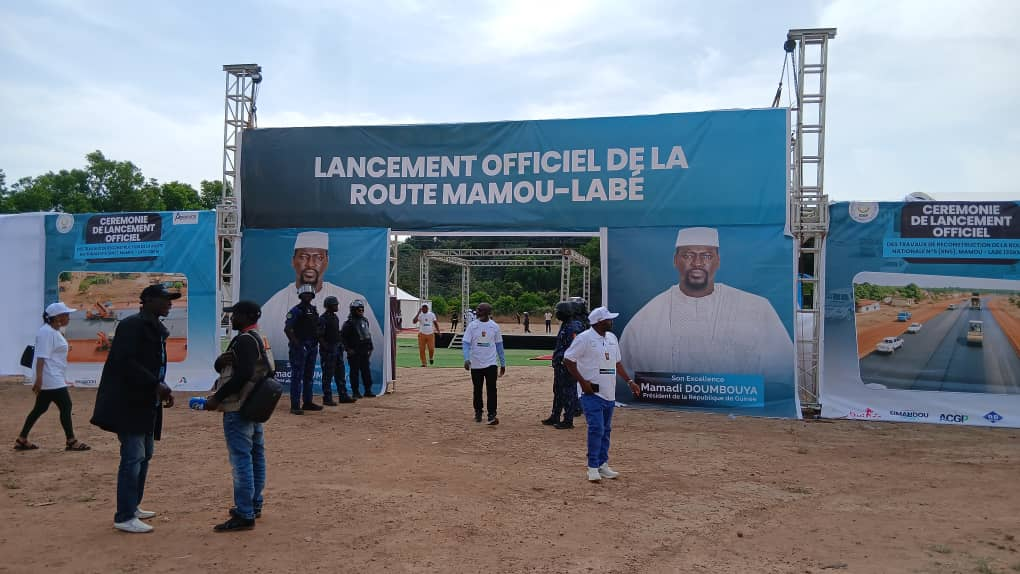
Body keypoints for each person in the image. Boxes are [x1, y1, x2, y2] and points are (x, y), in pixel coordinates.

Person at [620, 227, 794, 386]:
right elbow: (625, 377)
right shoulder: (648, 317)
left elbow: (783, 373)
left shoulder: (756, 308)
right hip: (669, 411)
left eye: (706, 256)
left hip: (736, 411)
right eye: (688, 255)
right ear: (675, 260)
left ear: (718, 261)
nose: (697, 263)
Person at [91, 284, 178, 533]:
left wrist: (162, 388)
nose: (169, 303)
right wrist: (156, 385)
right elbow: (125, 362)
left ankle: (133, 506)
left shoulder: (155, 328)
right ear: (147, 300)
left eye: (171, 300)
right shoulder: (132, 325)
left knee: (145, 454)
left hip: (147, 402)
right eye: (164, 299)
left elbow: (153, 365)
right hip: (129, 402)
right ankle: (124, 515)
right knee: (133, 457)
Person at [260, 231, 382, 365]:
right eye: (303, 256)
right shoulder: (274, 304)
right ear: (293, 261)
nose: (310, 264)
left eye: (318, 257)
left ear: (326, 262)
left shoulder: (352, 299)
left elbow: (377, 355)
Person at [204, 300, 272, 532]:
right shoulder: (258, 338)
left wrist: (216, 398)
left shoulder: (244, 340)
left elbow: (241, 374)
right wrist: (218, 363)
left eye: (235, 315)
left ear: (245, 316)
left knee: (241, 460)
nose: (231, 319)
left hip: (237, 408)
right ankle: (254, 505)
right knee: (255, 456)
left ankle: (245, 513)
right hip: (253, 406)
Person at [563, 307, 641, 482]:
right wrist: (583, 383)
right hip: (591, 393)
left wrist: (629, 382)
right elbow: (568, 360)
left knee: (606, 430)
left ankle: (603, 464)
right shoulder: (584, 338)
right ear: (598, 322)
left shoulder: (612, 338)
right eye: (608, 319)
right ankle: (592, 467)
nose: (611, 321)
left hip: (609, 393)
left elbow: (617, 363)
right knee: (596, 428)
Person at [14, 302, 90, 452]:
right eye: (66, 315)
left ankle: (22, 439)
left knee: (40, 408)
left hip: (52, 376)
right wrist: (39, 379)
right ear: (57, 317)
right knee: (66, 405)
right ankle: (71, 440)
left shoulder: (51, 331)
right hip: (50, 378)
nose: (69, 317)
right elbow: (41, 357)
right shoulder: (47, 332)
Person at [541, 301, 586, 430]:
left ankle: (568, 419)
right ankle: (555, 416)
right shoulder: (566, 325)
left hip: (567, 365)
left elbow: (575, 347)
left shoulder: (574, 327)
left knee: (569, 392)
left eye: (558, 311)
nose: (557, 314)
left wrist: (566, 361)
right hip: (560, 365)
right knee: (558, 391)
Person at [462, 303, 506, 425]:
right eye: (477, 310)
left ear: (487, 312)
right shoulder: (472, 326)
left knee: (492, 389)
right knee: (477, 389)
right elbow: (465, 343)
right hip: (475, 363)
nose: (477, 312)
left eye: (480, 310)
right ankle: (478, 411)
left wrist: (503, 363)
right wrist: (466, 359)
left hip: (491, 363)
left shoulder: (494, 327)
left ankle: (492, 414)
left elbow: (499, 346)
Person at [284, 284, 322, 415]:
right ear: (300, 296)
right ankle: (295, 405)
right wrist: (298, 344)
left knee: (309, 376)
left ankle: (307, 402)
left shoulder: (313, 310)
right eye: (305, 294)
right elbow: (288, 329)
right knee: (297, 376)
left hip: (312, 346)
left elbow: (316, 327)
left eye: (310, 294)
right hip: (300, 347)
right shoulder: (296, 310)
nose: (308, 296)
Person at [319, 296, 355, 405]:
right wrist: (326, 348)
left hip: (337, 349)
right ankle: (327, 398)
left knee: (340, 374)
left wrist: (342, 345)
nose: (337, 306)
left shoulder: (335, 317)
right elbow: (319, 336)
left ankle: (343, 396)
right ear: (329, 306)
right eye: (335, 305)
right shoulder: (323, 319)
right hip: (328, 351)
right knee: (327, 375)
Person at [342, 299, 376, 398]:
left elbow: (367, 334)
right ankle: (355, 392)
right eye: (359, 309)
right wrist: (348, 349)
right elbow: (342, 338)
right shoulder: (348, 323)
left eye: (362, 309)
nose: (361, 311)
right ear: (353, 310)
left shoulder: (365, 320)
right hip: (354, 352)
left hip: (365, 351)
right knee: (354, 372)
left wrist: (371, 346)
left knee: (366, 371)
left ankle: (368, 390)